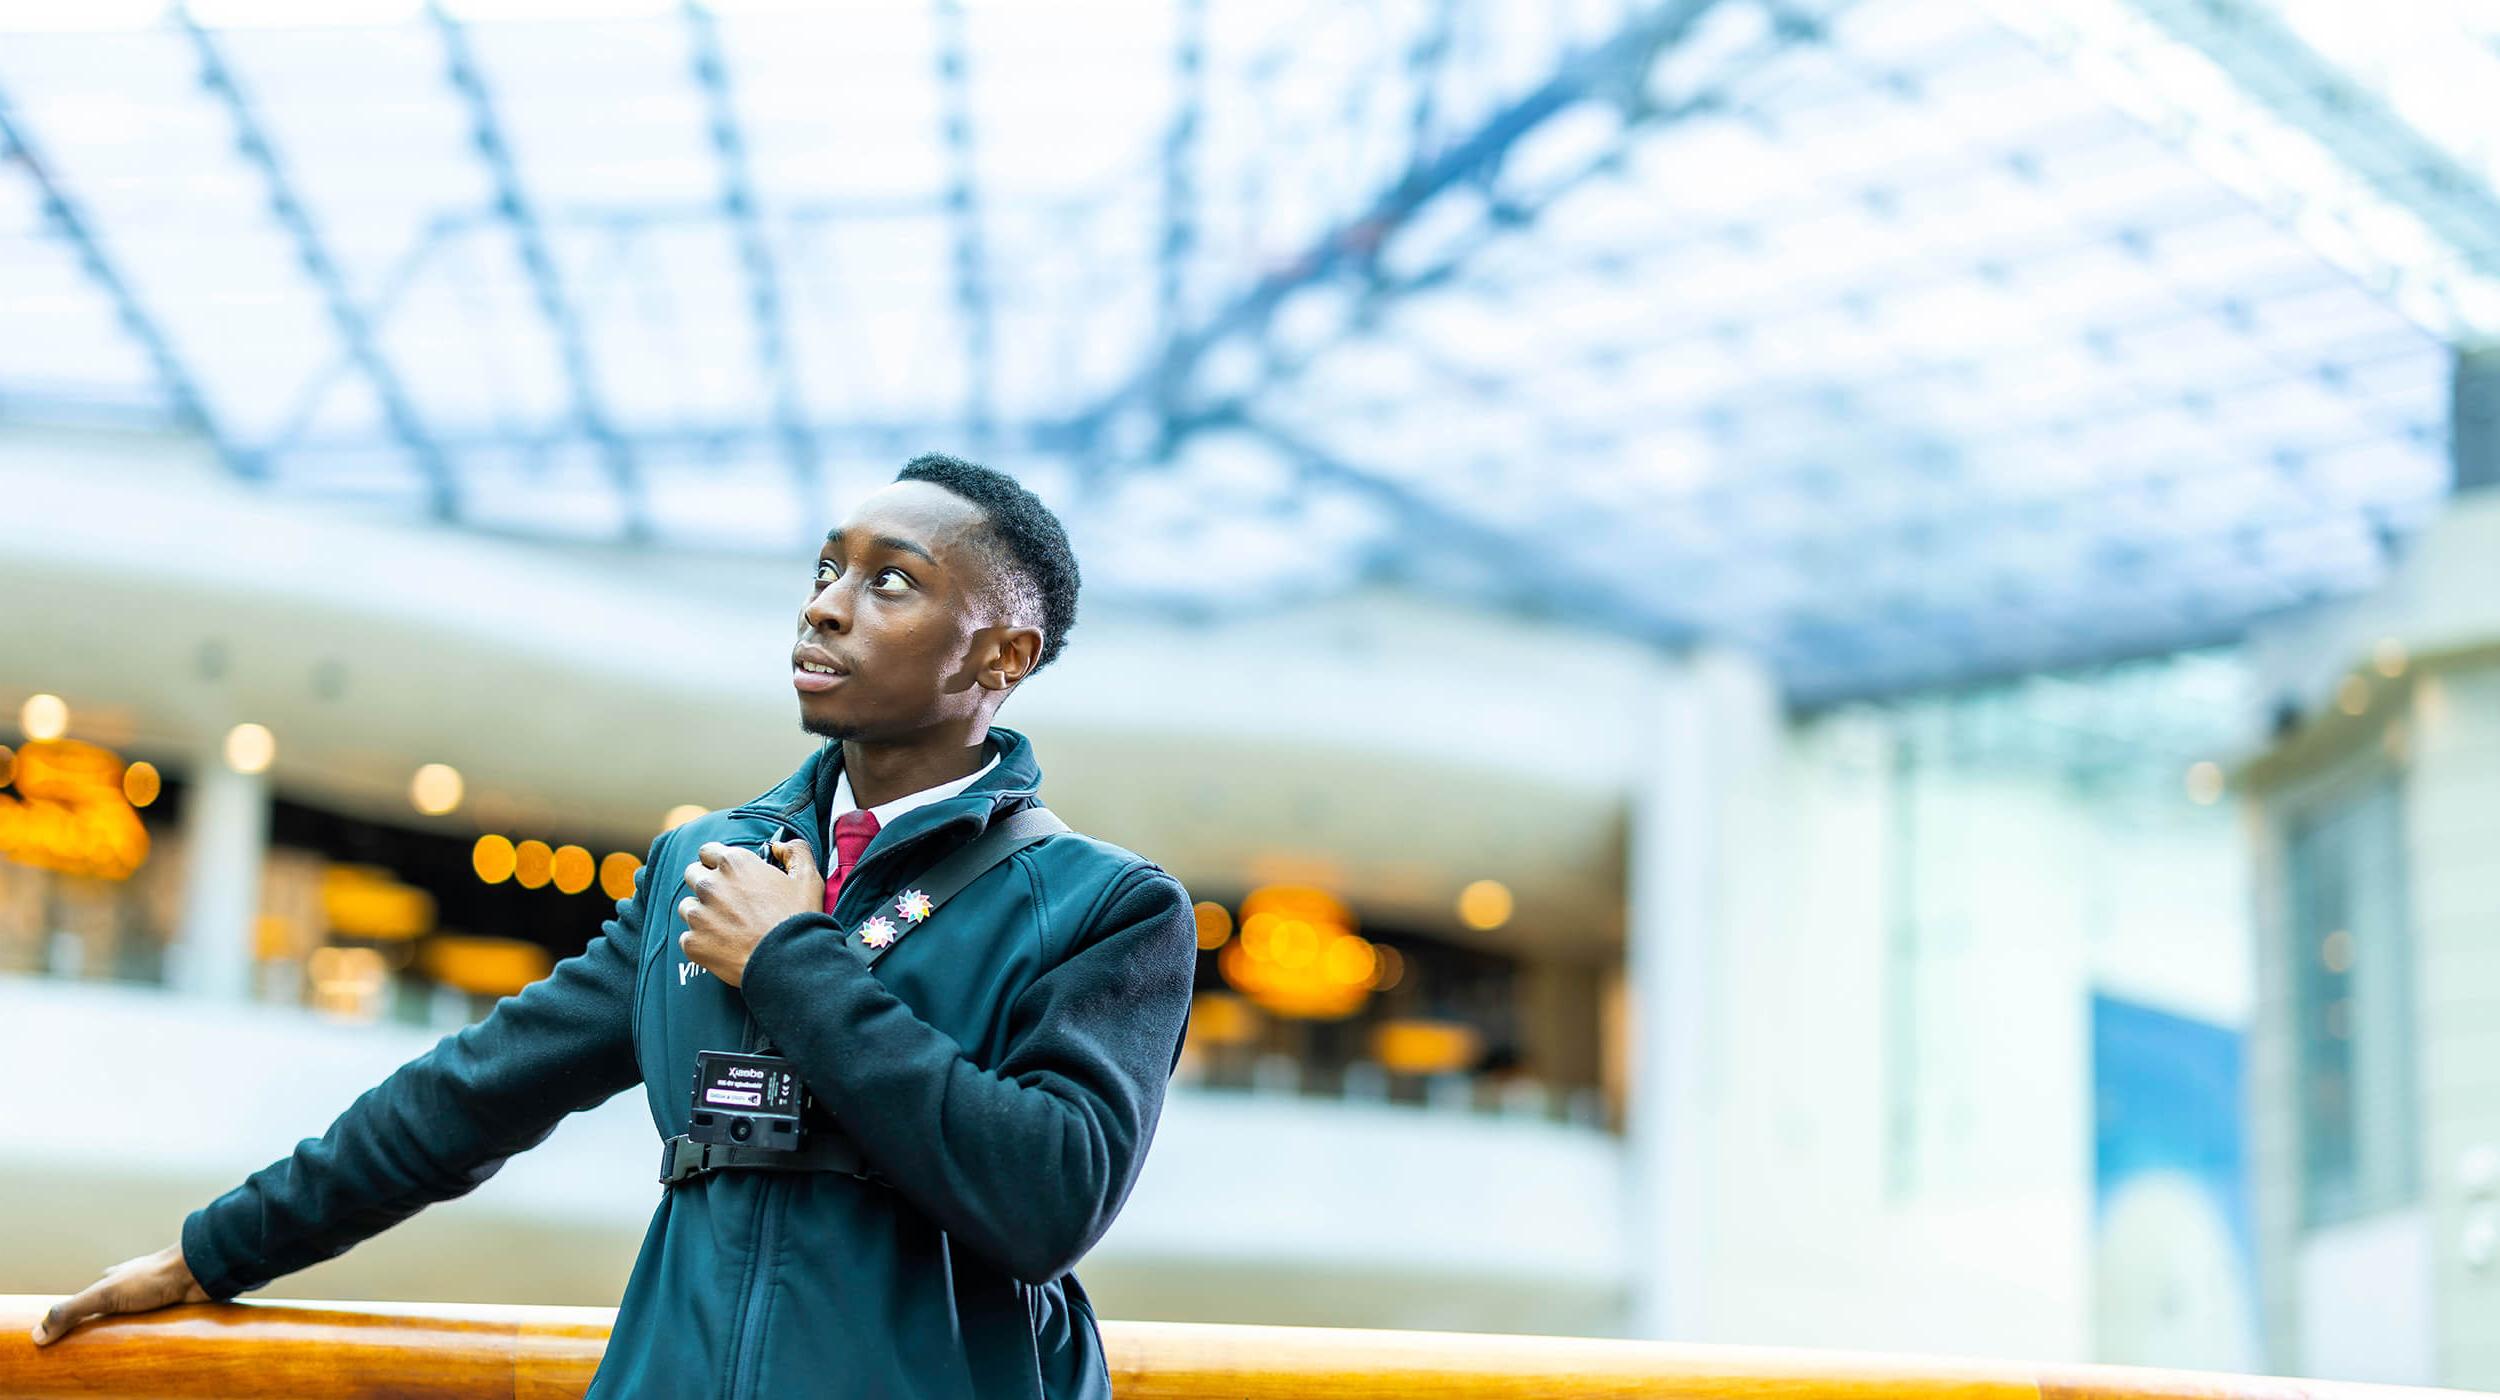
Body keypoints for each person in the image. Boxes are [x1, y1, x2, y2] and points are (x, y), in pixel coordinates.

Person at [30, 454, 1201, 1400]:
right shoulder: (707, 861)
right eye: (825, 567)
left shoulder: (1107, 905)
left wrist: (793, 960)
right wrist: (213, 1251)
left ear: (1004, 654)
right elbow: (472, 1092)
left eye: (891, 581)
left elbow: (1049, 1198)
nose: (825, 604)